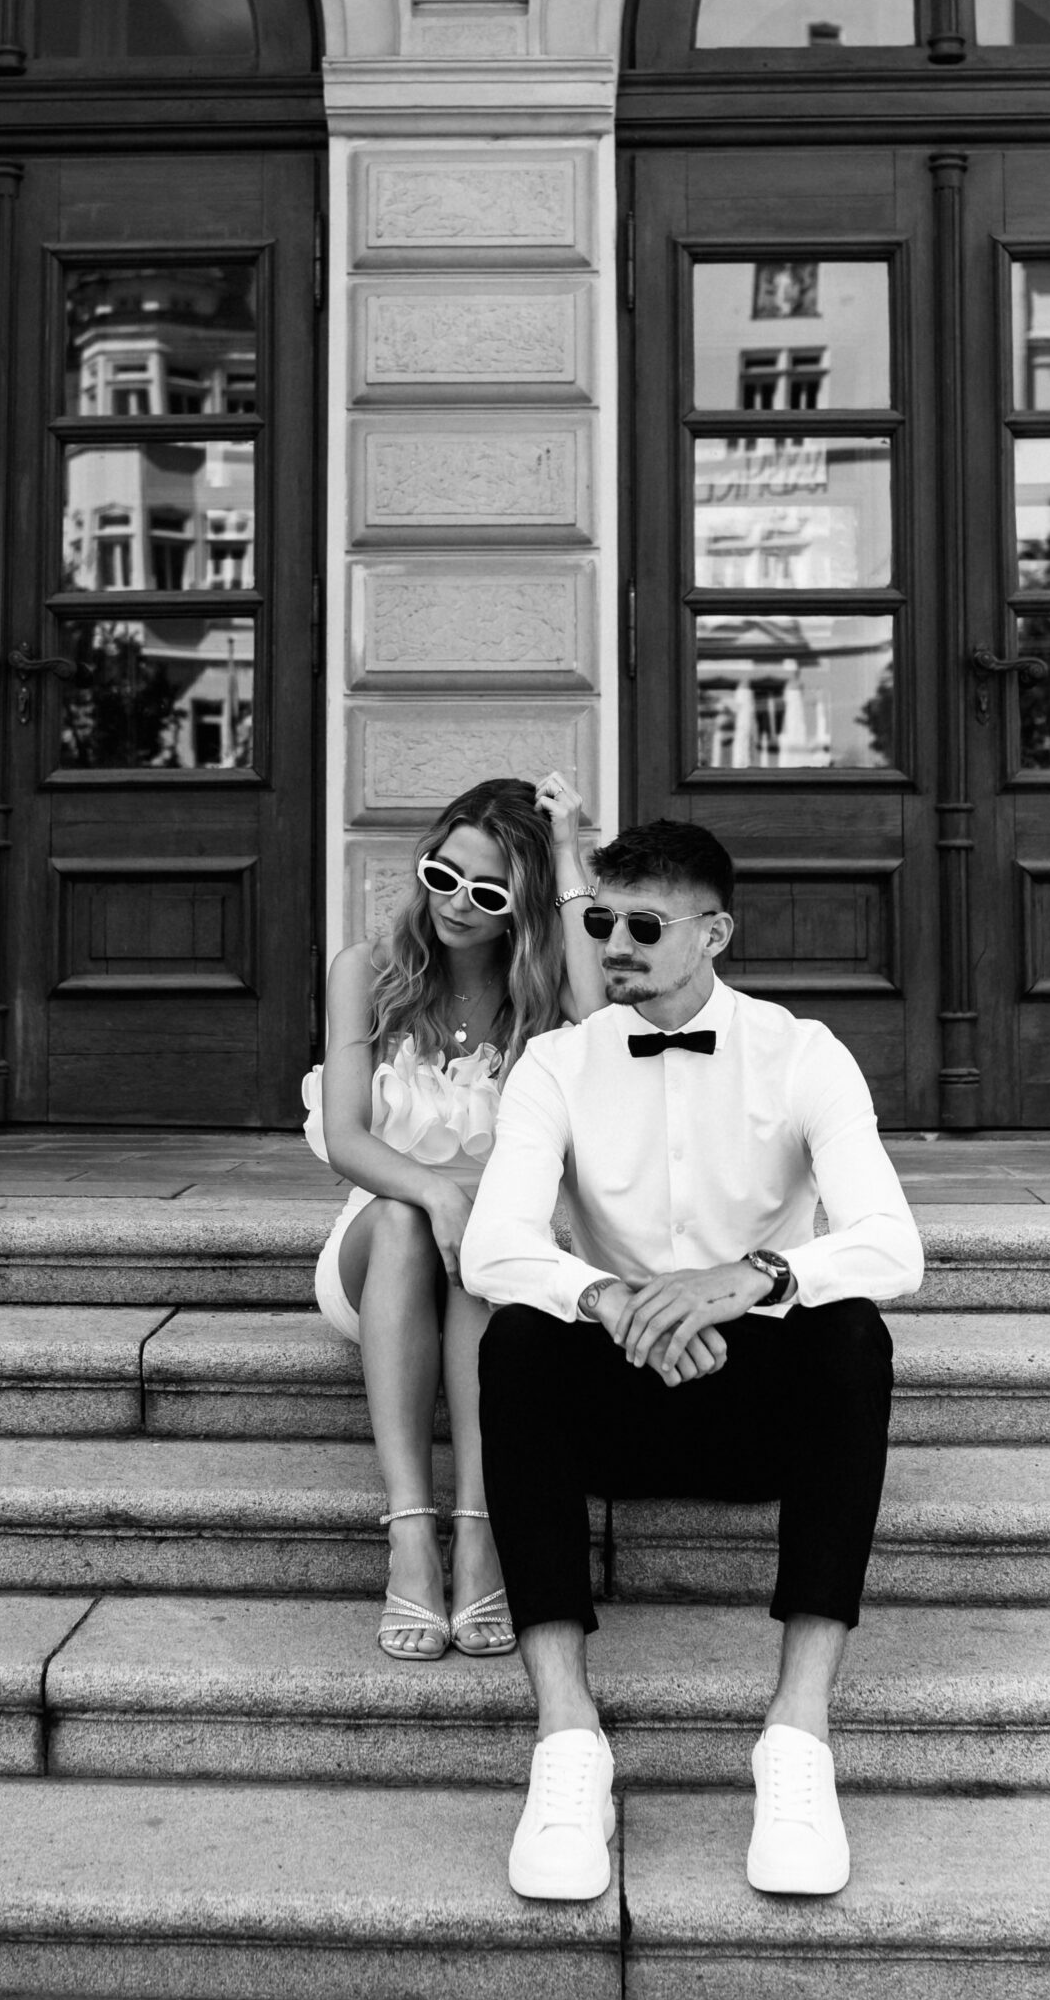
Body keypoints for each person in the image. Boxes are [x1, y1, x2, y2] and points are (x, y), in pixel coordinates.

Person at [460, 817, 924, 1902]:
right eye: (600, 923)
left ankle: (796, 1735)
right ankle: (567, 1739)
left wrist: (749, 1278)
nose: (614, 945)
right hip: (615, 1388)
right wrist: (613, 1299)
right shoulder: (557, 1063)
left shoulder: (800, 1053)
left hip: (756, 1395)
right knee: (518, 1334)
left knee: (851, 1331)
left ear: (713, 933)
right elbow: (492, 1245)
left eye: (643, 926)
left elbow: (892, 1243)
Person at [306, 772, 604, 1662]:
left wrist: (568, 857)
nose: (456, 904)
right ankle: (409, 1536)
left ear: (523, 908)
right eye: (443, 876)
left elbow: (604, 1029)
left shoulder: (544, 997)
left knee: (488, 1239)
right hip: (380, 1244)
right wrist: (437, 1192)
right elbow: (346, 1137)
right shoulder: (368, 972)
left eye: (488, 893)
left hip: (498, 1259)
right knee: (423, 1221)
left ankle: (479, 1536)